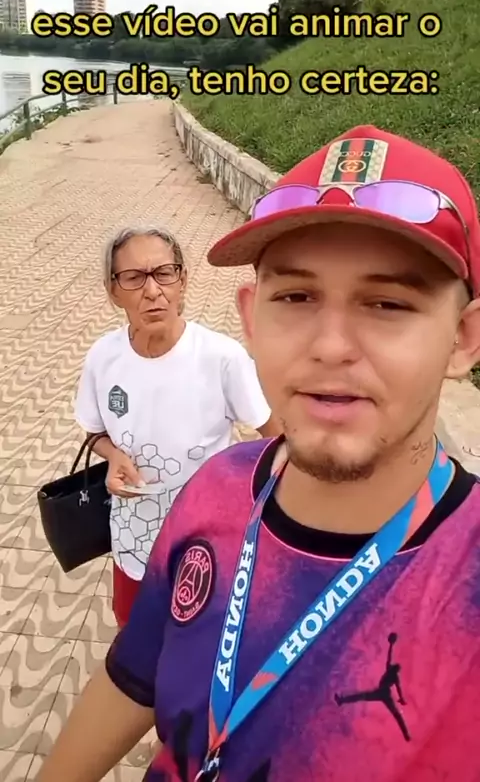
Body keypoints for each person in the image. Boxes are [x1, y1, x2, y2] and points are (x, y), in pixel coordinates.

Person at [38, 126, 480, 782]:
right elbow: (135, 674)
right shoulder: (217, 487)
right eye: (295, 297)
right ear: (251, 317)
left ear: (464, 339)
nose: (330, 346)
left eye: (388, 303)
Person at [74, 225, 276, 628]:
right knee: (135, 635)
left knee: (196, 642)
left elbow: (274, 436)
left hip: (206, 544)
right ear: (113, 291)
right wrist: (113, 456)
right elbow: (94, 431)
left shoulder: (222, 357)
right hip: (133, 539)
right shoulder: (103, 357)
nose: (152, 291)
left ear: (182, 280)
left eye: (164, 273)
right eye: (134, 278)